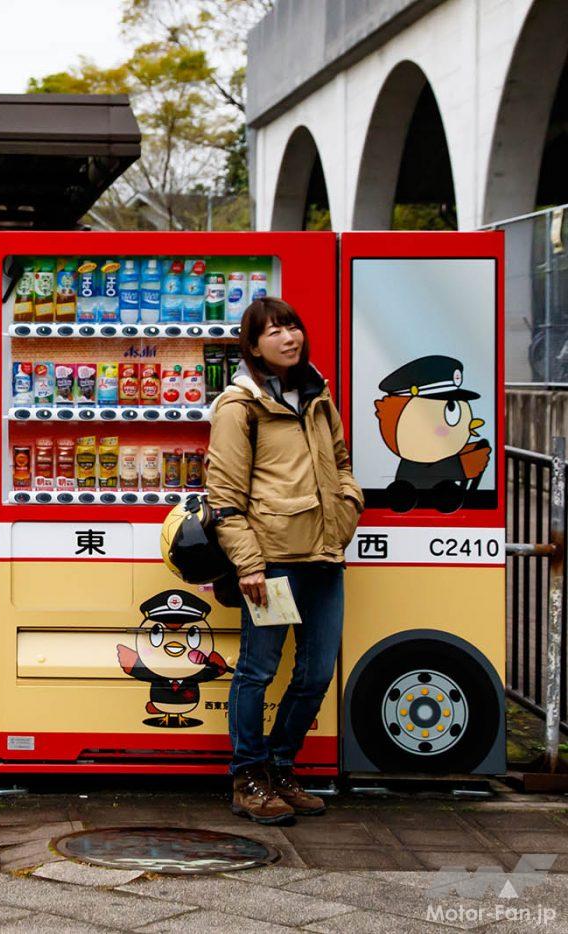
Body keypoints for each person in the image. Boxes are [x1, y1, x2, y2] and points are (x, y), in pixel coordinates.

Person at [206, 297, 362, 824]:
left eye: (293, 326)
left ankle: (279, 766)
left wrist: (348, 507)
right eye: (274, 331)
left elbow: (341, 461)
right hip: (272, 564)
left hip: (324, 556)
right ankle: (247, 777)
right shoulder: (239, 406)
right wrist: (249, 564)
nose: (289, 337)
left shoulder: (318, 395)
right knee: (258, 670)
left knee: (317, 671)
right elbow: (223, 495)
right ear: (252, 346)